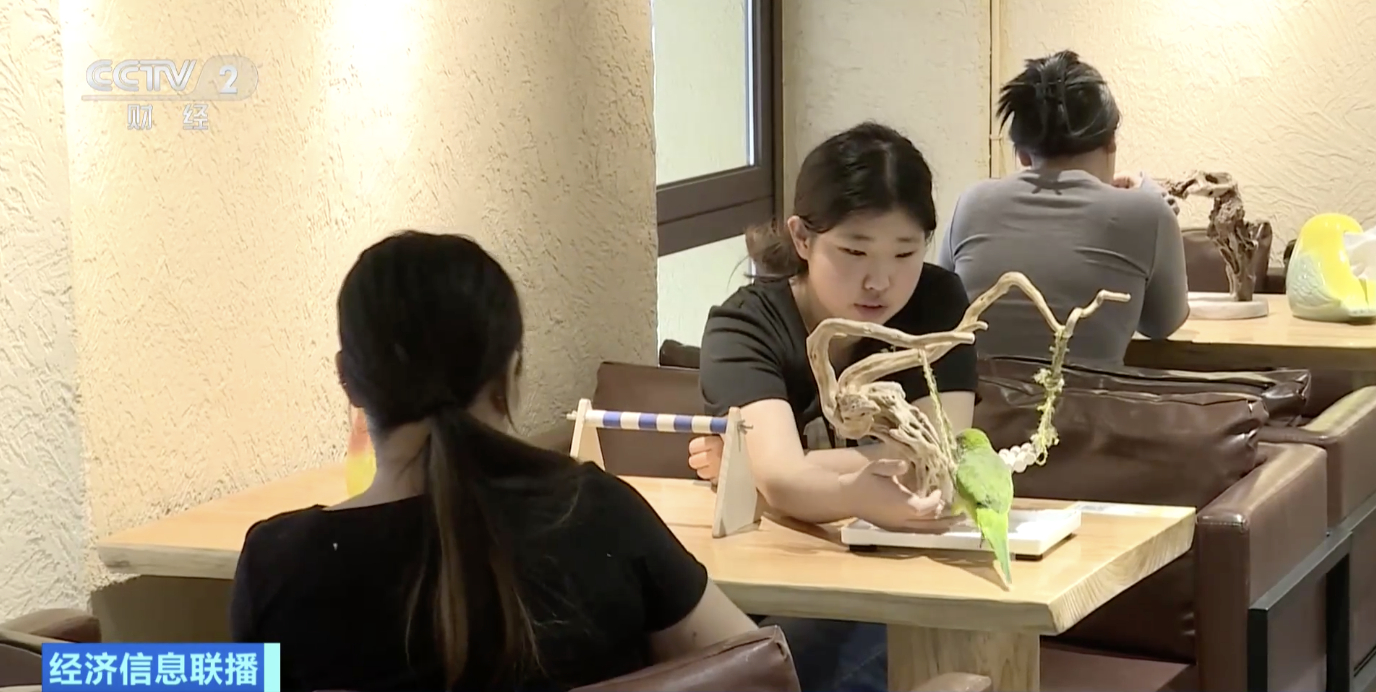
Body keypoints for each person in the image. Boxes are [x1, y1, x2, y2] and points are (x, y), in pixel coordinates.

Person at [230, 231, 757, 691]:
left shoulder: (278, 565)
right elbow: (753, 671)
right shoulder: (595, 513)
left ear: (348, 379)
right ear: (510, 373)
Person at [688, 121, 980, 692]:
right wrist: (828, 484)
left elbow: (939, 458)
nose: (880, 280)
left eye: (906, 252)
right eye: (853, 251)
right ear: (802, 237)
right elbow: (783, 477)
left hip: (910, 578)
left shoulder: (938, 302)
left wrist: (766, 471)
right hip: (787, 586)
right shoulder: (744, 326)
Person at [936, 49, 1188, 366]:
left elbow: (942, 311)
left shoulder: (971, 203)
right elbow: (1161, 324)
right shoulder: (1148, 214)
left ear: (1022, 154)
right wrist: (1152, 201)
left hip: (975, 399)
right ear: (1110, 142)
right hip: (1092, 399)